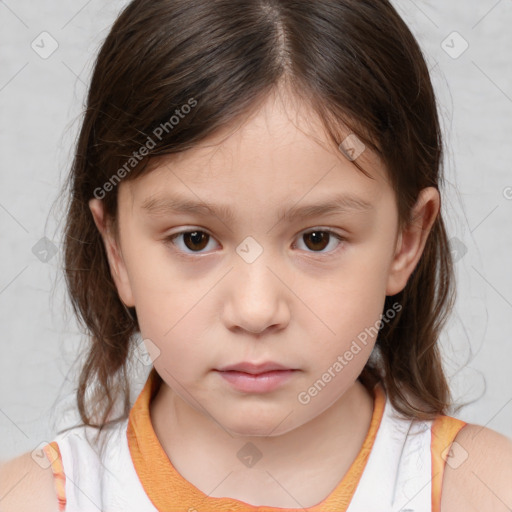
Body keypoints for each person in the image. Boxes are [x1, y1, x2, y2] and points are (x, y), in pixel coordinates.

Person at [1, 0, 511, 510]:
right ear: (116, 249)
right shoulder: (33, 499)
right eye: (194, 239)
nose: (255, 310)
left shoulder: (484, 490)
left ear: (406, 241)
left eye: (317, 239)